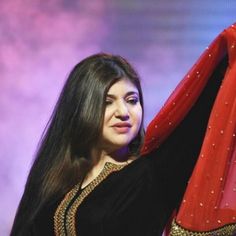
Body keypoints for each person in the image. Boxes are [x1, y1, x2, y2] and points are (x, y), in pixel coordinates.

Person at [11, 23, 236, 236]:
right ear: (80, 108)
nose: (123, 112)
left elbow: (204, 106)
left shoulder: (150, 174)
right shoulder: (50, 180)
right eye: (108, 101)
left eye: (132, 100)